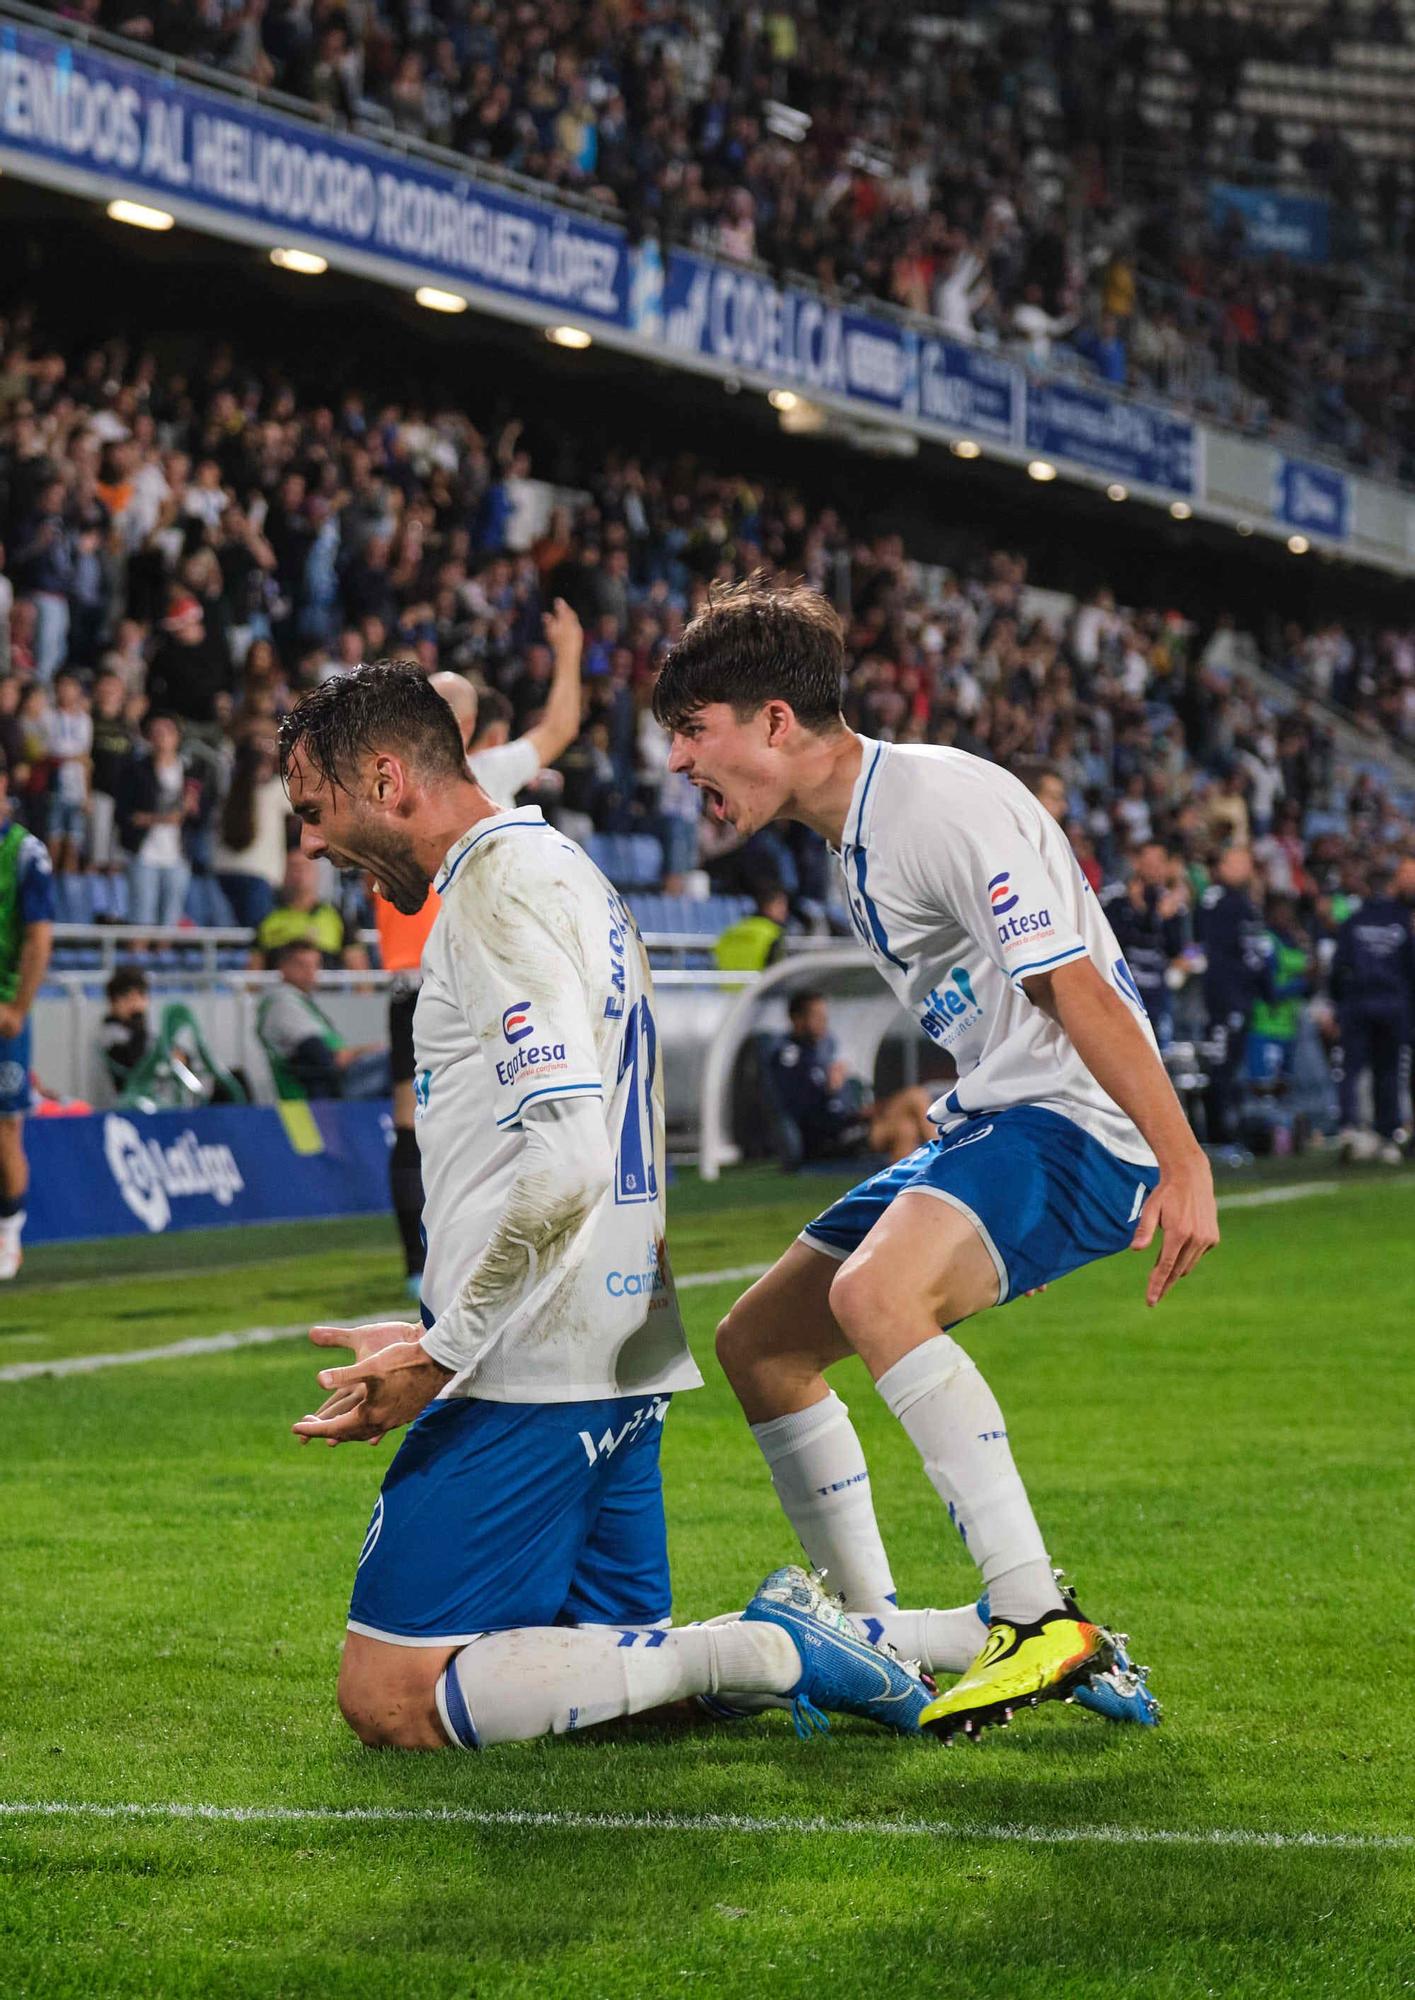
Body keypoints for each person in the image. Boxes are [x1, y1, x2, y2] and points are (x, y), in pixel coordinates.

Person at [277, 663, 929, 1751]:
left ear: (387, 778)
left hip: (540, 1360)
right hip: (623, 1338)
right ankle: (966, 1633)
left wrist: (447, 1347)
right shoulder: (561, 865)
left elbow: (571, 1152)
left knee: (389, 1694)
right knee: (618, 1686)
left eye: (311, 808)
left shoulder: (492, 891)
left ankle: (768, 1644)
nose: (308, 843)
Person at [654, 576, 1219, 1740]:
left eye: (691, 728)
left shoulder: (936, 801)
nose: (675, 760)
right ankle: (870, 1639)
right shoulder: (852, 834)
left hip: (1074, 1119)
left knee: (875, 1291)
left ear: (773, 721)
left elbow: (1072, 984)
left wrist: (1179, 1160)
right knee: (758, 1343)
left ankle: (1032, 1612)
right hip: (996, 1116)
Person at [377, 602, 587, 1297]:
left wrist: (568, 650)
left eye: (437, 704)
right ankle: (424, 1260)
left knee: (475, 1115)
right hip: (419, 979)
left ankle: (472, 1253)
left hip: (466, 972)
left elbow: (559, 727)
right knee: (420, 1124)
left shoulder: (472, 776)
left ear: (462, 724)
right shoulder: (406, 778)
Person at [768, 991, 935, 1168]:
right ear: (797, 1019)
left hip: (847, 1123)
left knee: (914, 1103)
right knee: (905, 1124)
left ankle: (906, 1187)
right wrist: (830, 1090)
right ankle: (944, 1162)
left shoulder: (820, 1051)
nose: (823, 1021)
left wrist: (858, 1111)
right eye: (816, 1016)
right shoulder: (788, 1056)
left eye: (824, 1016)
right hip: (828, 1138)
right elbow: (800, 1109)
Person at [0, 750, 55, 1280]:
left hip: (3, 1012)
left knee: (5, 1131)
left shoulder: (24, 853)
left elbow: (39, 936)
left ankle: (9, 1233)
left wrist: (18, 1006)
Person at [1329, 857, 1415, 1165]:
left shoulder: (1354, 920)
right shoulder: (1404, 920)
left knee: (1352, 1070)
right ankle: (1388, 1134)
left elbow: (1338, 969)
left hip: (1359, 1005)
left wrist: (1338, 1005)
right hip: (1393, 1006)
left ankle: (1350, 1129)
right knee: (1389, 1072)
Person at [1196, 844, 1271, 1149]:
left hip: (1243, 996)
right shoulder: (1216, 899)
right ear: (1222, 865)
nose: (1244, 868)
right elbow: (1206, 948)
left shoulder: (1246, 903)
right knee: (1220, 1064)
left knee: (1232, 1064)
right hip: (1224, 997)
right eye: (1237, 861)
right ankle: (1218, 1135)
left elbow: (1256, 952)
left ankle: (1230, 1130)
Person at [256, 941, 389, 1100]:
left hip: (333, 1080)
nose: (310, 971)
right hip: (323, 1089)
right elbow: (323, 1058)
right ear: (283, 968)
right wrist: (366, 1051)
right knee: (398, 1061)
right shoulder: (283, 1004)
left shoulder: (300, 1001)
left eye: (315, 964)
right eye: (301, 965)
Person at [1101, 842, 1189, 1047]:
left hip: (1157, 994)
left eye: (1159, 862)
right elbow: (1111, 940)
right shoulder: (1115, 899)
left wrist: (1165, 919)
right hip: (1122, 989)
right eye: (1148, 861)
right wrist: (1142, 911)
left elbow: (1176, 950)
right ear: (1137, 863)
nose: (1154, 868)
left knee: (1157, 1052)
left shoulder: (1173, 905)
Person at [117, 713, 197, 929]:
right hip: (145, 853)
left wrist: (191, 810)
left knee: (171, 920)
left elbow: (198, 815)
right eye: (156, 733)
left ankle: (165, 961)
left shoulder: (190, 771)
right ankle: (138, 961)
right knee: (141, 918)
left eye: (167, 732)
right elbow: (124, 814)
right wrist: (162, 818)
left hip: (178, 854)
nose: (162, 738)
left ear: (177, 737)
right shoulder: (136, 771)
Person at [254, 850, 356, 968]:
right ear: (284, 873)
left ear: (316, 874)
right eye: (294, 867)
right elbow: (254, 969)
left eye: (305, 867)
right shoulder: (268, 918)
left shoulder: (336, 916)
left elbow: (358, 967)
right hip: (279, 986)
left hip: (326, 986)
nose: (299, 873)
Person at [98, 966, 151, 1096]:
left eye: (140, 995)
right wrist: (138, 1020)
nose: (135, 1003)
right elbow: (135, 1065)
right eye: (127, 997)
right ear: (113, 1002)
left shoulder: (143, 1031)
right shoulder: (108, 1034)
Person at [714, 882, 789, 972]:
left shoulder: (732, 930)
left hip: (726, 985)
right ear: (767, 906)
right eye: (780, 904)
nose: (784, 910)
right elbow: (775, 973)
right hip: (761, 985)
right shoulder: (773, 933)